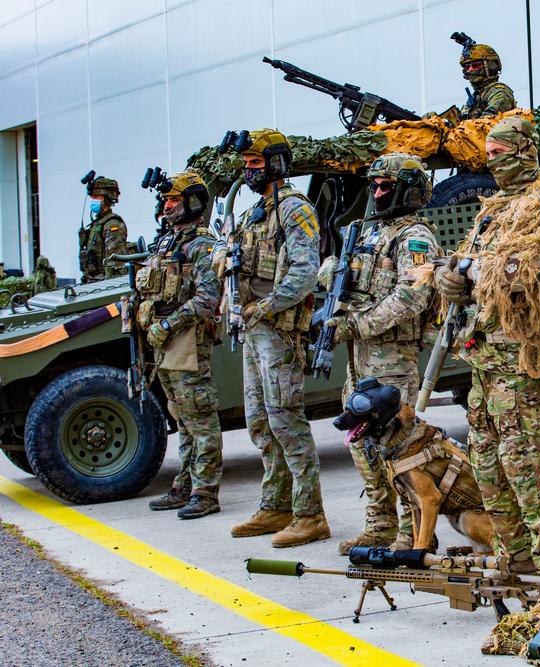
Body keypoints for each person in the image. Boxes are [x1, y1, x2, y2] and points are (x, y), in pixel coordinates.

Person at [434, 117, 540, 593]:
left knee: (528, 467)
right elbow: (465, 263)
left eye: (500, 152)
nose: (492, 162)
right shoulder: (493, 210)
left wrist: (480, 272)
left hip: (521, 360)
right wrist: (451, 278)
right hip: (483, 362)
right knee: (491, 470)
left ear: (524, 151)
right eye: (488, 154)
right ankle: (516, 558)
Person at [319, 152, 442, 555]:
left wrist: (358, 322)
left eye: (386, 186)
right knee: (362, 443)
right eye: (374, 186)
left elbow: (413, 295)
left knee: (400, 447)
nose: (377, 192)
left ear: (407, 189)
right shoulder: (367, 232)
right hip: (360, 356)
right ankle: (380, 524)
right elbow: (338, 273)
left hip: (391, 357)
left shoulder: (415, 237)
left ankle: (413, 531)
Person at [224, 129, 330, 548]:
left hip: (278, 330)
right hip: (253, 330)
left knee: (287, 420)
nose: (248, 172)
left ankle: (310, 514)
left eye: (255, 164)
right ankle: (276, 505)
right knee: (260, 421)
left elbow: (305, 272)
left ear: (276, 165)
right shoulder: (255, 212)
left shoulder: (294, 209)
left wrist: (264, 309)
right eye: (246, 165)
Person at [140, 172, 224, 520]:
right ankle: (185, 483)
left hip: (186, 338)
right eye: (166, 200)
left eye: (173, 200)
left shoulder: (203, 246)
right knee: (182, 416)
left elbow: (208, 298)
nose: (166, 206)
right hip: (164, 339)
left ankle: (206, 491)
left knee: (200, 415)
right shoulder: (168, 243)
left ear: (192, 201)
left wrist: (168, 324)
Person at [80, 177, 128, 283]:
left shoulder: (112, 224)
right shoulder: (97, 223)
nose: (93, 200)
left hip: (104, 285)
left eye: (96, 197)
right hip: (93, 282)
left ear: (107, 198)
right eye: (92, 197)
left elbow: (115, 262)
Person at [456, 39, 516, 120]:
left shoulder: (500, 91)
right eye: (467, 67)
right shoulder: (475, 97)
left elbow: (488, 121)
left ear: (491, 67)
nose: (470, 69)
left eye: (475, 65)